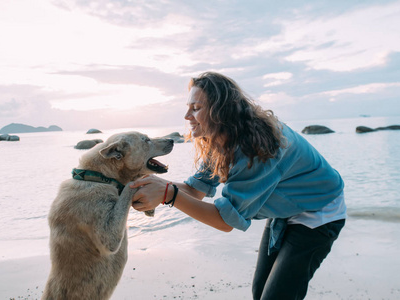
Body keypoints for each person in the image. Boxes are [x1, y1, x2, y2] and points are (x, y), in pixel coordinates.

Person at [130, 71, 346, 300]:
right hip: (287, 210)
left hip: (319, 213)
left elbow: (225, 222)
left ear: (220, 111)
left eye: (195, 108)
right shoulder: (223, 138)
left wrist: (167, 193)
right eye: (188, 107)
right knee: (260, 293)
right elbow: (195, 191)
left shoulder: (258, 147)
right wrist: (151, 184)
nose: (186, 116)